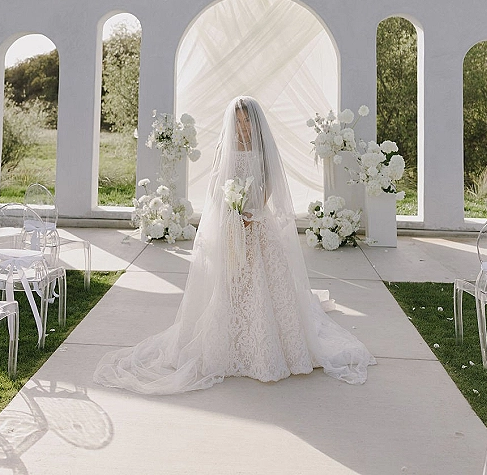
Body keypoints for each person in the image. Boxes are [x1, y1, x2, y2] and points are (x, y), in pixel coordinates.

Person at [94, 96, 375, 395]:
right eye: (238, 120)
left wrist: (253, 212)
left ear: (255, 122)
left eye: (247, 120)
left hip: (257, 222)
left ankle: (269, 345)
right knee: (230, 280)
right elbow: (217, 186)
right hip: (232, 223)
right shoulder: (225, 148)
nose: (242, 126)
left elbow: (269, 184)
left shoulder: (263, 148)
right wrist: (232, 213)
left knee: (265, 283)